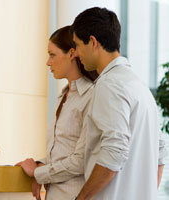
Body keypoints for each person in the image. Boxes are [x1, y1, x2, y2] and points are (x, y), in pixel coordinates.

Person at [71, 7, 167, 200]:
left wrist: (81, 198)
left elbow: (113, 153)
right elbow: (160, 153)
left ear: (92, 42)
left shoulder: (109, 84)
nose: (75, 53)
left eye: (78, 45)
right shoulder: (139, 86)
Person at [16, 26, 98, 200]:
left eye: (52, 55)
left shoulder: (91, 96)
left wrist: (40, 172)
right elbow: (64, 150)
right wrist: (41, 164)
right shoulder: (63, 96)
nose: (48, 62)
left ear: (72, 53)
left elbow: (81, 160)